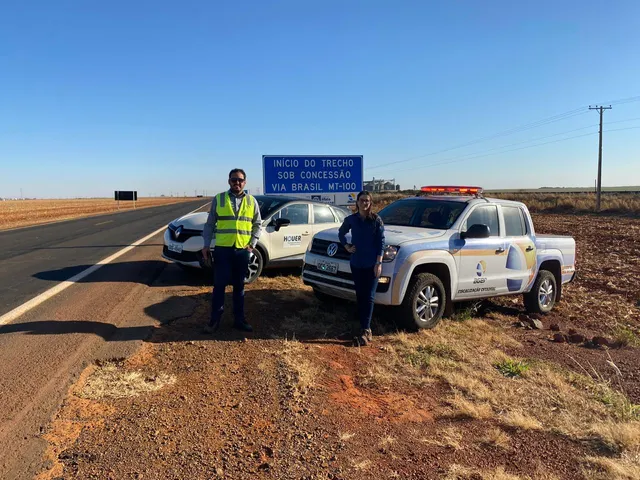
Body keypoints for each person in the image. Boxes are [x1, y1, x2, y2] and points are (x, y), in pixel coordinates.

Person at [201, 168, 262, 333]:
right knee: (219, 286)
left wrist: (252, 244)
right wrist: (206, 245)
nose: (237, 182)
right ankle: (214, 321)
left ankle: (239, 320)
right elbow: (209, 224)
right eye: (234, 179)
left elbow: (258, 224)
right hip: (223, 250)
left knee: (239, 287)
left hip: (242, 251)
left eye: (240, 180)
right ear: (229, 181)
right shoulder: (219, 199)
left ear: (245, 182)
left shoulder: (251, 201)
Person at [338, 190, 385, 346]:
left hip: (372, 264)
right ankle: (363, 325)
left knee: (369, 296)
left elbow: (381, 243)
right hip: (357, 263)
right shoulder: (351, 220)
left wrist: (378, 263)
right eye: (362, 200)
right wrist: (346, 246)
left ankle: (366, 330)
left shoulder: (376, 220)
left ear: (370, 203)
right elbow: (341, 232)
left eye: (367, 200)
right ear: (357, 202)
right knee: (360, 295)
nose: (365, 203)